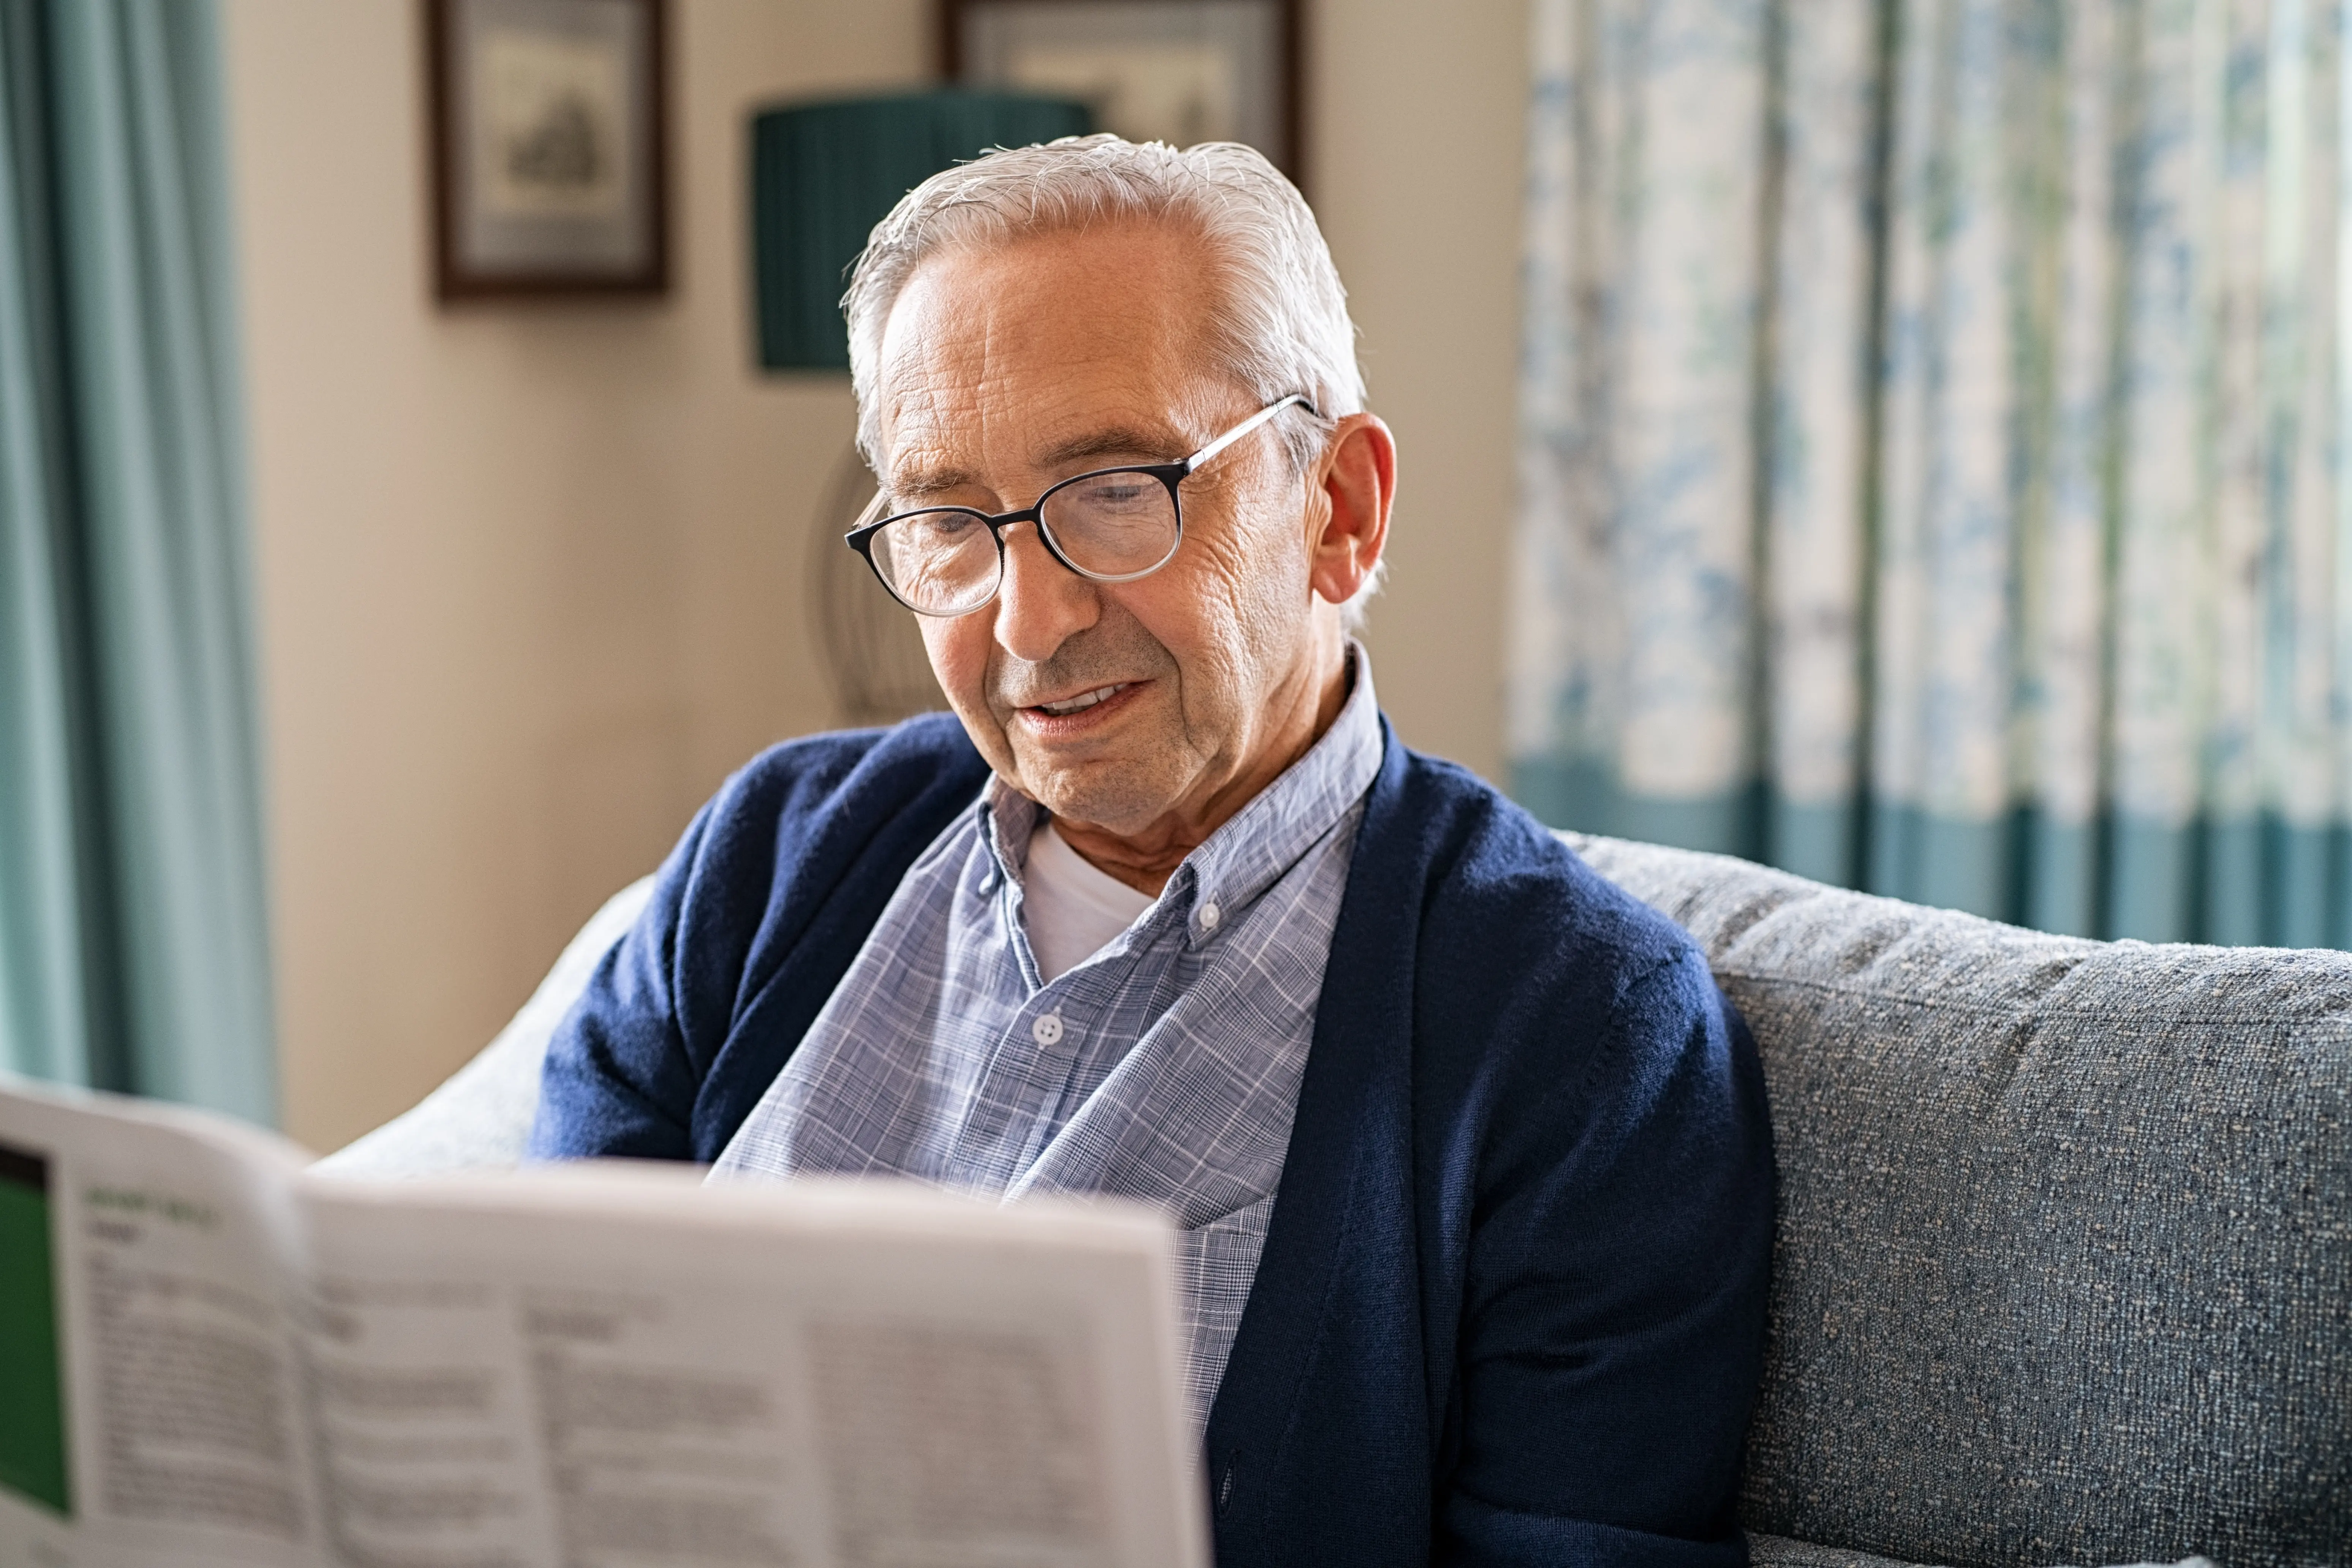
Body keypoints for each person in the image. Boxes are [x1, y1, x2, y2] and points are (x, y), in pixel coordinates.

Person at [529, 135, 1773, 1566]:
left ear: (1339, 512)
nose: (1028, 622)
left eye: (1118, 490)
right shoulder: (771, 862)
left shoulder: (1588, 1044)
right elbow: (541, 1374)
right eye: (951, 519)